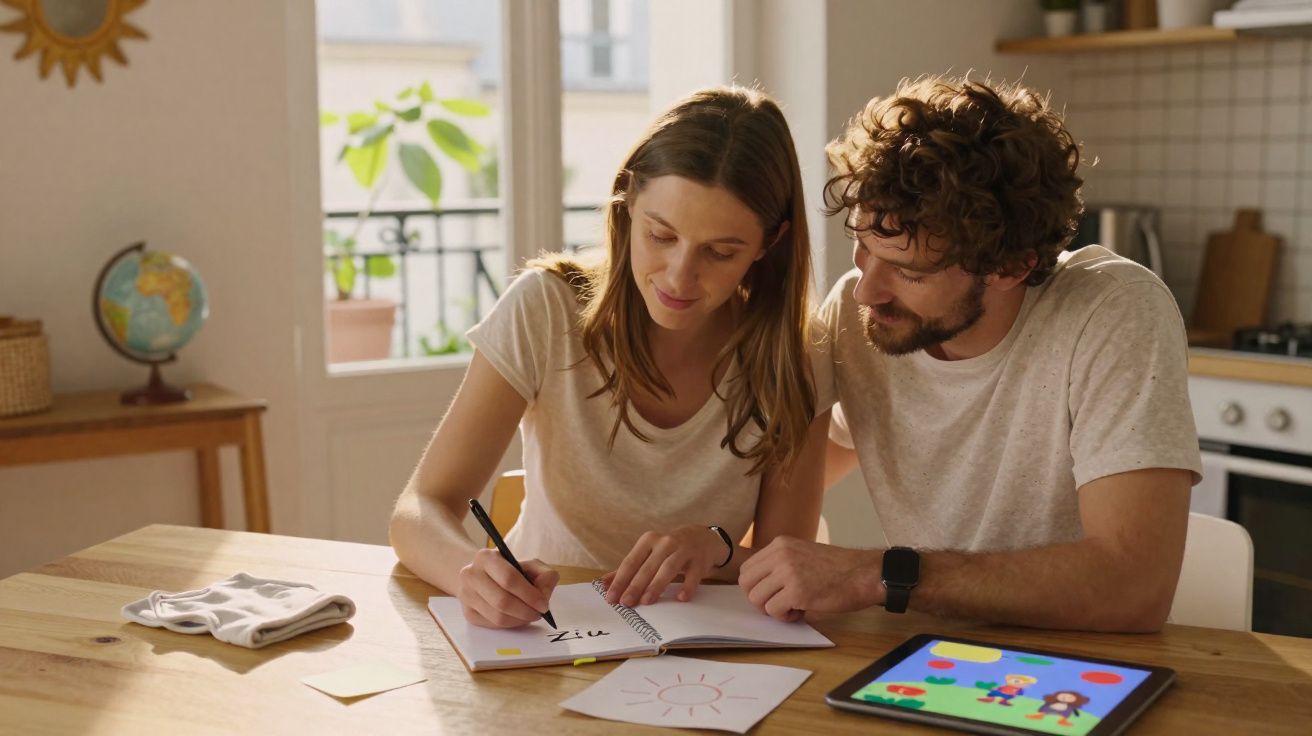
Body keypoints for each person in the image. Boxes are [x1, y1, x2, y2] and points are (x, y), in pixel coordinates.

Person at [738, 75, 1201, 632]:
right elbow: (820, 460)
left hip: (1085, 664)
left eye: (910, 271)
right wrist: (715, 541)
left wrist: (879, 576)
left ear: (1011, 267)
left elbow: (1135, 588)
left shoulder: (1113, 312)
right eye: (862, 246)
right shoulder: (858, 315)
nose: (867, 291)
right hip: (932, 655)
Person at [390, 86, 832, 629]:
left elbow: (786, 572)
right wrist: (468, 574)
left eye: (720, 252)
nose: (679, 276)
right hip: (544, 631)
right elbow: (420, 510)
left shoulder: (797, 354)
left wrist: (715, 548)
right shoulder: (546, 310)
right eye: (660, 235)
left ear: (769, 242)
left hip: (701, 647)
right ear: (626, 205)